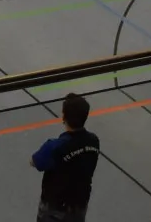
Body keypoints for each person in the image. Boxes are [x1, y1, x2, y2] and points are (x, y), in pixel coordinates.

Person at [31, 93, 100, 222]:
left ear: (64, 116)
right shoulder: (93, 141)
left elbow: (35, 162)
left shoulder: (55, 146)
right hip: (79, 206)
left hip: (55, 209)